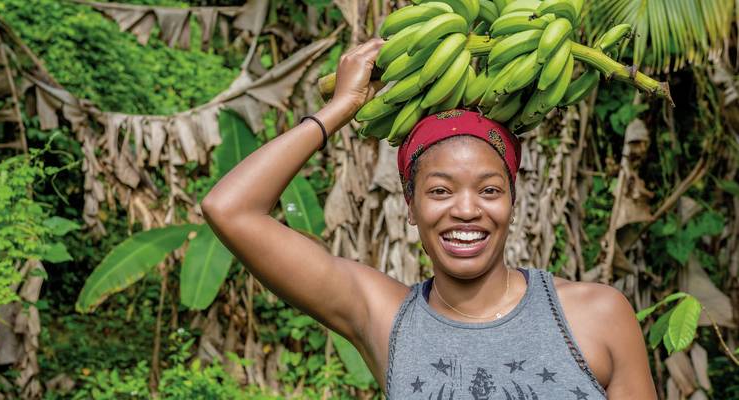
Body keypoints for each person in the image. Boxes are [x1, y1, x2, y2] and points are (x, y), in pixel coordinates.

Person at [201, 38, 658, 399]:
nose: (465, 209)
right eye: (440, 190)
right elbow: (230, 209)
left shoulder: (595, 314)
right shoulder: (385, 319)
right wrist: (337, 110)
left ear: (512, 201)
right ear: (410, 205)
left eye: (489, 190)